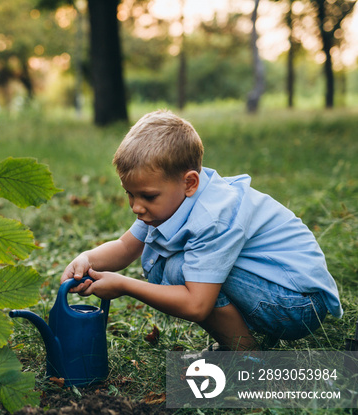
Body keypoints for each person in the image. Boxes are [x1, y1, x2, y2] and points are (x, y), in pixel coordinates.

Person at [62, 110, 342, 353]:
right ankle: (235, 345)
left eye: (147, 196)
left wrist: (124, 285)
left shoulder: (212, 215)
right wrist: (87, 258)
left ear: (189, 183)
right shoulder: (170, 202)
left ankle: (248, 357)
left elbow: (196, 305)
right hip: (275, 290)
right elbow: (126, 247)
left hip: (297, 304)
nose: (136, 207)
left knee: (180, 270)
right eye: (129, 195)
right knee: (179, 269)